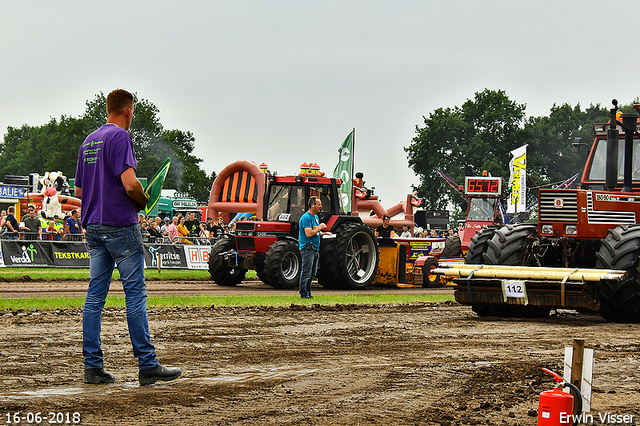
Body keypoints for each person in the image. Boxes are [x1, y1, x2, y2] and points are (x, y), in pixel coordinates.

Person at [75, 89, 180, 386]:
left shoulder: (88, 141)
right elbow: (130, 183)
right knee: (135, 294)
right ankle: (147, 364)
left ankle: (92, 366)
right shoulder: (120, 137)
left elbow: (80, 192)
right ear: (128, 111)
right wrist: (143, 199)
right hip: (120, 224)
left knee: (95, 297)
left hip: (93, 225)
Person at [298, 196, 329, 299]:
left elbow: (315, 231)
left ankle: (308, 292)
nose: (321, 206)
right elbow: (309, 233)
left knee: (312, 273)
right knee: (306, 272)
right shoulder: (306, 218)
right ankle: (304, 293)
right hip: (308, 248)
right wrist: (319, 227)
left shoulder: (315, 217)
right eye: (319, 204)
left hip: (315, 248)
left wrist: (323, 233)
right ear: (312, 205)